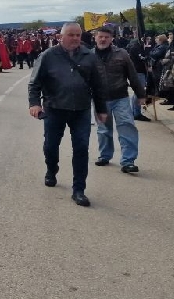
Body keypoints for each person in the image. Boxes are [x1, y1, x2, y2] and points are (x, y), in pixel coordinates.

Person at [28, 23, 108, 207]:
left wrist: (101, 109)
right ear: (60, 37)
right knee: (50, 145)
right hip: (54, 108)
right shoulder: (48, 56)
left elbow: (98, 86)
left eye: (78, 35)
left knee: (81, 148)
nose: (75, 38)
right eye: (71, 35)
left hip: (81, 109)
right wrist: (34, 104)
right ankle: (51, 169)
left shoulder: (90, 56)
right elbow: (35, 83)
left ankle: (79, 189)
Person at [92, 26, 146, 173]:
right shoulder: (88, 56)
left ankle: (128, 161)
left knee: (127, 126)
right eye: (100, 36)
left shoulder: (121, 54)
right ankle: (105, 155)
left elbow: (132, 75)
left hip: (120, 97)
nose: (103, 39)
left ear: (112, 39)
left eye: (106, 37)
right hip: (100, 100)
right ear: (95, 37)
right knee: (103, 130)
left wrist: (140, 95)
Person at [126, 36, 151, 121]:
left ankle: (134, 112)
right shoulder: (136, 48)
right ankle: (136, 113)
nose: (149, 41)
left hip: (138, 71)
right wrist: (148, 52)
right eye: (148, 39)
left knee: (136, 94)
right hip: (138, 71)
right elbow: (142, 58)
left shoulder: (136, 47)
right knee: (139, 93)